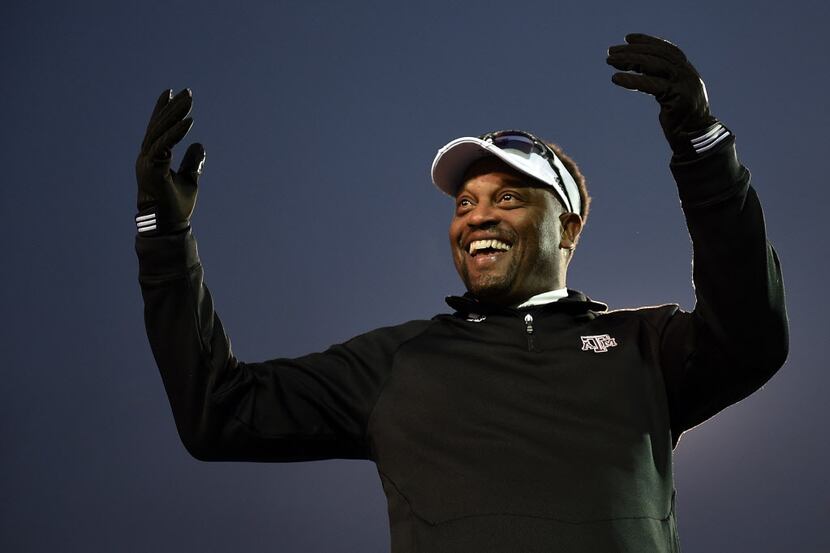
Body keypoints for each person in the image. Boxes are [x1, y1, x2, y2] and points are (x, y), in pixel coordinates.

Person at [134, 34, 788, 552]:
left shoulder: (644, 345)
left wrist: (704, 150)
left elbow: (752, 337)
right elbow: (218, 411)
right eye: (465, 202)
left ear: (568, 225)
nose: (477, 215)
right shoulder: (396, 361)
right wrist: (163, 232)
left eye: (507, 198)